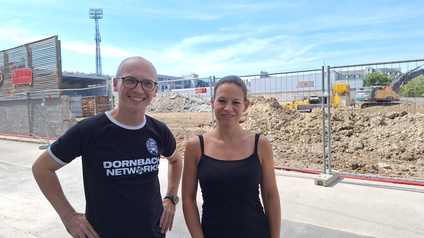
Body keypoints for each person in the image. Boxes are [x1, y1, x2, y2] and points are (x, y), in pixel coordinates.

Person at [32, 56, 183, 238]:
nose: (138, 89)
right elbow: (42, 168)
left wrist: (171, 198)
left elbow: (175, 160)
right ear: (115, 84)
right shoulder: (89, 131)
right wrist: (68, 216)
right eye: (130, 80)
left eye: (147, 84)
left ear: (155, 90)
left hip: (153, 233)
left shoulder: (159, 130)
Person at [182, 75, 281, 238]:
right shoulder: (196, 146)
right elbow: (188, 198)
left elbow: (270, 196)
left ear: (246, 105)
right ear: (212, 102)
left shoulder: (260, 144)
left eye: (236, 102)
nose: (228, 108)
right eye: (222, 101)